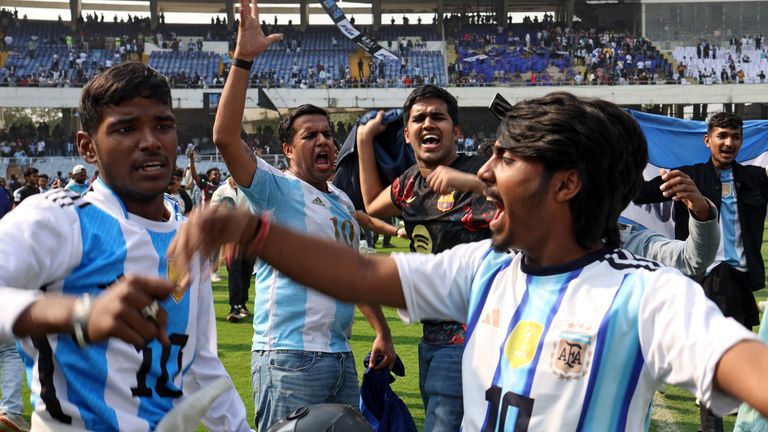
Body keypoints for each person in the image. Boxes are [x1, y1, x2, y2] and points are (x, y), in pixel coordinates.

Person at [170, 92, 768, 431]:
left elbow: (742, 365)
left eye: (505, 159)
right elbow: (358, 273)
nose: (482, 175)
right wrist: (254, 230)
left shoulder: (646, 294)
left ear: (565, 184)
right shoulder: (484, 267)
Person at [0, 63, 251, 431]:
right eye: (126, 128)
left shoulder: (187, 236)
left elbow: (198, 363)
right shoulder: (59, 220)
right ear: (88, 147)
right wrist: (80, 313)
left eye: (163, 126)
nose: (151, 140)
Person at [210, 2, 395, 430]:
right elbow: (224, 136)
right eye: (309, 135)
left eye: (328, 133)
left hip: (340, 355)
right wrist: (243, 60)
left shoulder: (343, 202)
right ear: (289, 151)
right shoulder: (276, 188)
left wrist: (381, 331)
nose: (324, 140)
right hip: (288, 357)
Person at [355, 84, 495, 431]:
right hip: (430, 337)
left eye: (438, 117)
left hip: (470, 336)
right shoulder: (409, 184)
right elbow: (372, 204)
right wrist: (363, 142)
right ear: (407, 134)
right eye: (418, 118)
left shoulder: (480, 172)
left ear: (456, 130)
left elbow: (526, 202)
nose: (428, 123)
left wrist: (467, 181)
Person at [634, 112, 768, 431]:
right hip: (697, 277)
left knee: (718, 362)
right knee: (707, 361)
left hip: (735, 281)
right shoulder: (688, 176)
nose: (729, 142)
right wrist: (624, 153)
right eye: (722, 136)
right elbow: (640, 195)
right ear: (708, 140)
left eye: (735, 136)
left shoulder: (756, 178)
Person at [210, 176, 255, 322]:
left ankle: (242, 303)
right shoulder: (221, 191)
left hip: (249, 235)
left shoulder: (249, 189)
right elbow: (213, 211)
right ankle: (234, 306)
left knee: (246, 271)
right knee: (234, 270)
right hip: (231, 237)